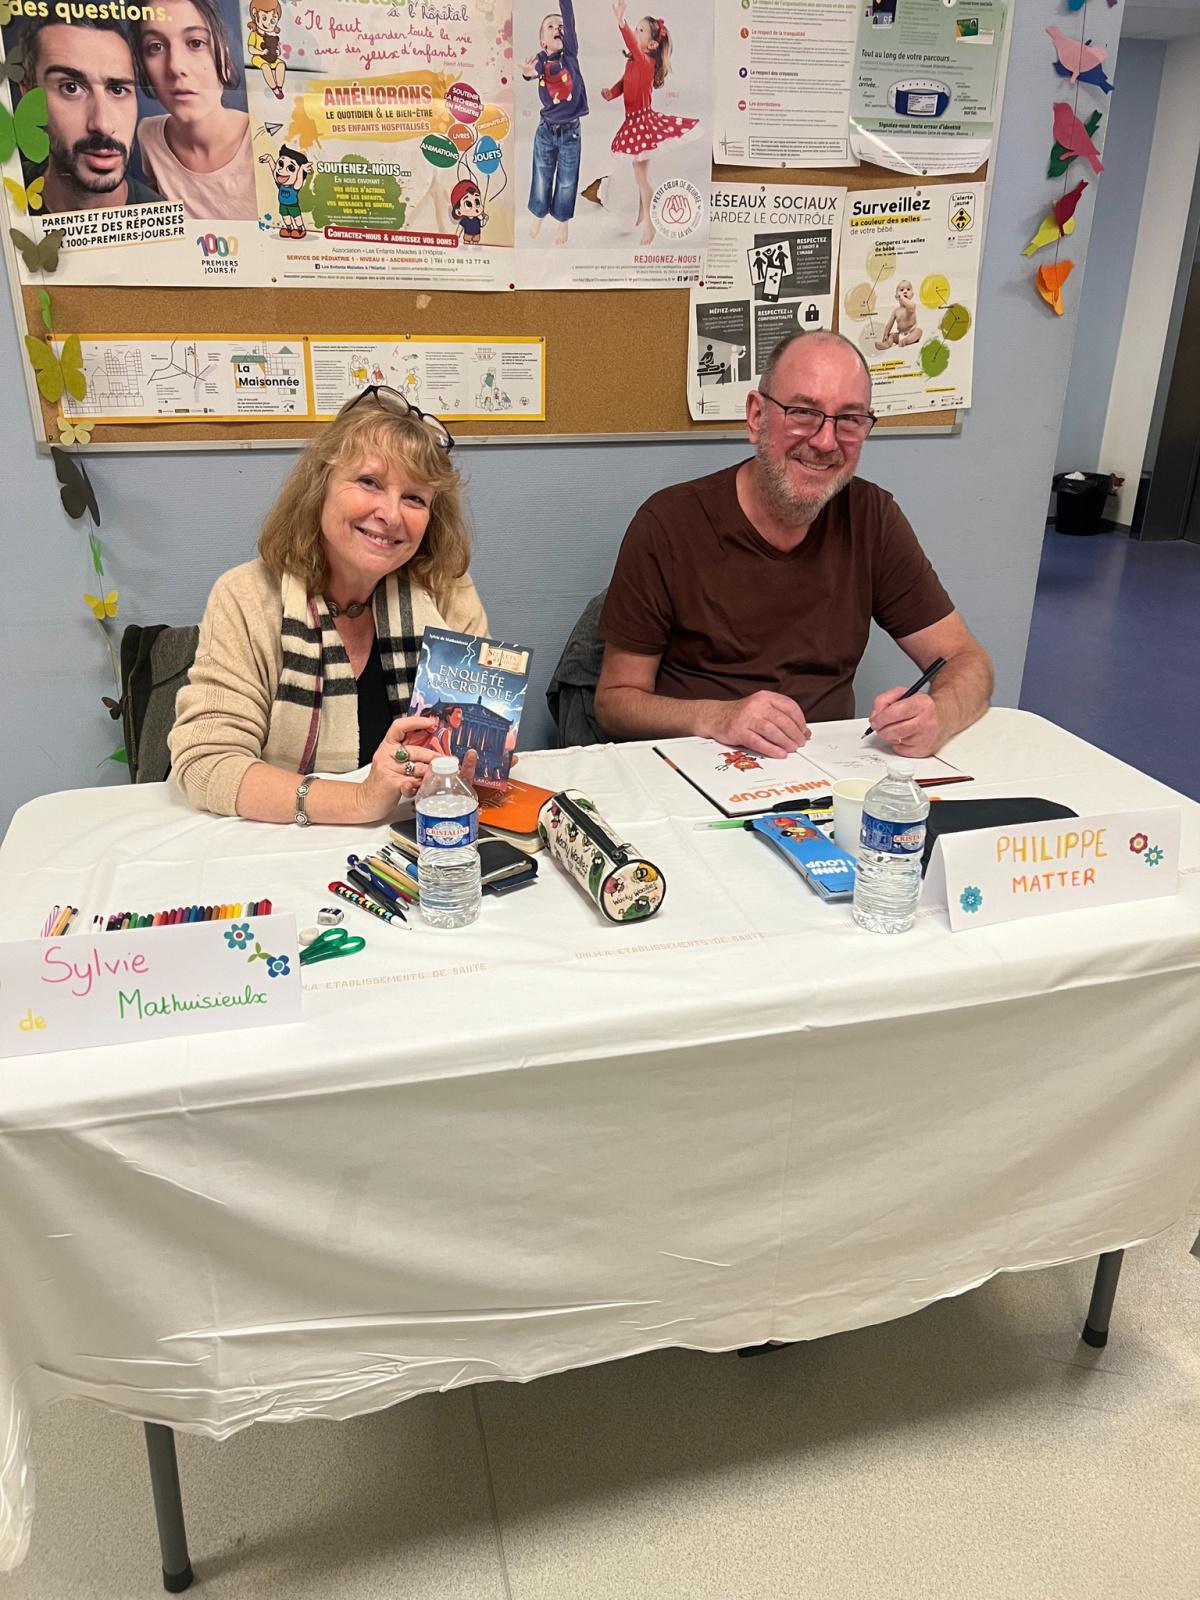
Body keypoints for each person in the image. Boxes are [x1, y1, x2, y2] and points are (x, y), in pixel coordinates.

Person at [595, 330, 993, 759]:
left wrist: (939, 713)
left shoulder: (872, 518)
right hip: (698, 769)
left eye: (849, 420)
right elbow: (615, 702)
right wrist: (717, 717)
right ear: (756, 417)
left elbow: (967, 659)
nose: (825, 441)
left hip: (828, 769)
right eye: (804, 412)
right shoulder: (669, 523)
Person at [169, 388, 490, 824]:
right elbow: (207, 765)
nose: (391, 515)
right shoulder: (246, 597)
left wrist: (476, 765)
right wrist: (358, 801)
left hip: (416, 841)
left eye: (415, 497)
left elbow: (479, 745)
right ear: (321, 487)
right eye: (369, 482)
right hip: (277, 846)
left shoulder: (447, 591)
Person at [20, 17, 166, 213]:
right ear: (28, 94)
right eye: (71, 88)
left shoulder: (164, 223)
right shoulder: (9, 189)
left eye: (117, 89)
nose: (103, 125)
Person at [131, 0, 256, 221]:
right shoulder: (148, 134)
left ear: (225, 58)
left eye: (196, 43)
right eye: (155, 47)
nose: (176, 67)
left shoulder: (264, 141)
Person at [600, 1, 696, 246]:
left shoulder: (645, 62)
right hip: (633, 123)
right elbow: (623, 84)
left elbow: (630, 43)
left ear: (652, 45)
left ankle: (651, 227)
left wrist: (621, 23)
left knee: (642, 179)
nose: (635, 32)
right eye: (636, 28)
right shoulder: (633, 62)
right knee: (639, 175)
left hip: (642, 123)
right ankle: (643, 212)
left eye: (640, 31)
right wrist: (611, 93)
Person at [522, 2, 588, 247]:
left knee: (567, 179)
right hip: (546, 130)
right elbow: (532, 71)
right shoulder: (541, 60)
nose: (557, 28)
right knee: (542, 174)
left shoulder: (570, 54)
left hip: (571, 132)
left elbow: (569, 19)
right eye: (550, 26)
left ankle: (562, 221)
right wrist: (528, 73)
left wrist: (565, 7)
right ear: (543, 42)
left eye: (560, 26)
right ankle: (538, 214)